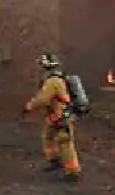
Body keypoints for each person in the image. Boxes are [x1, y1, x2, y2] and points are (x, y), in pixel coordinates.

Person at [22, 52, 81, 182]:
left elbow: (43, 99)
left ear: (46, 67)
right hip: (56, 114)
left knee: (64, 141)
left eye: (42, 66)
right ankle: (54, 160)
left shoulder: (53, 81)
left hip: (62, 115)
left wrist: (29, 107)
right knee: (47, 136)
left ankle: (73, 172)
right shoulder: (56, 79)